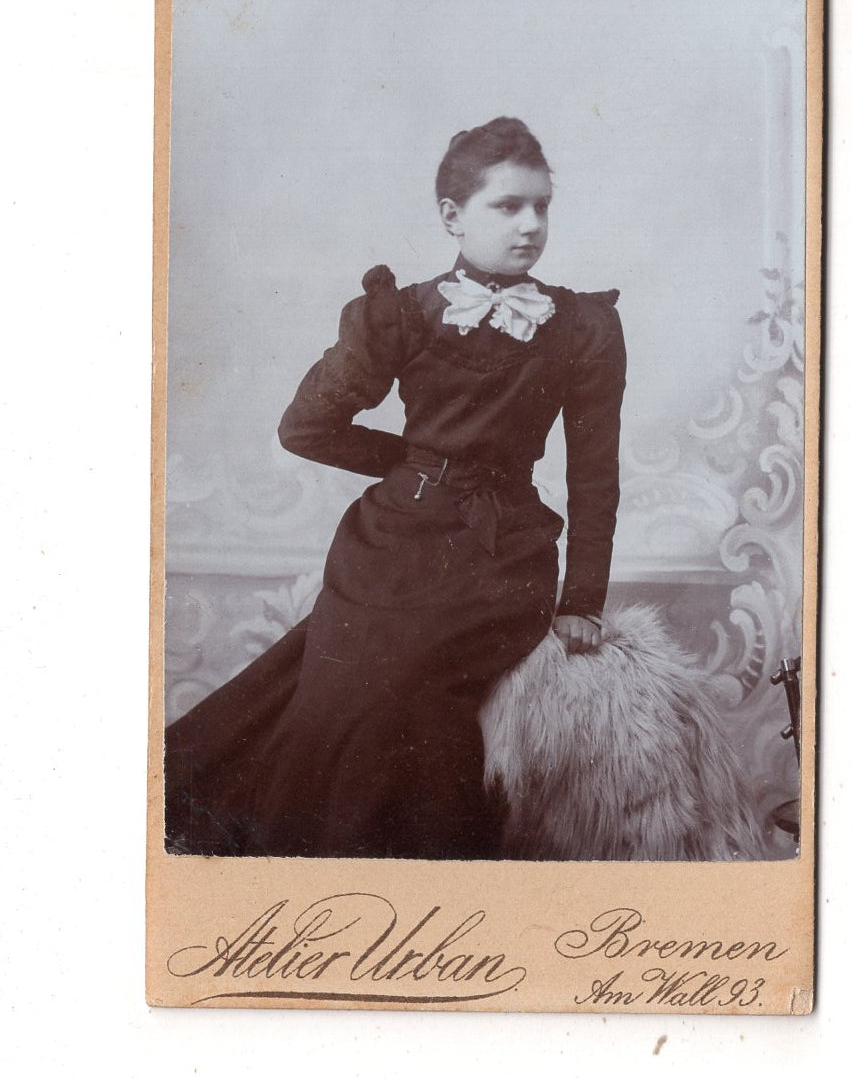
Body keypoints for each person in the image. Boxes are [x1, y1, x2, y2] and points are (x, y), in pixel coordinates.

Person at [164, 117, 626, 859]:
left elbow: (594, 473)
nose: (531, 225)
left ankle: (429, 879)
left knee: (403, 691)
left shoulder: (582, 327)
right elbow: (305, 427)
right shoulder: (398, 316)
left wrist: (582, 601)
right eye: (508, 205)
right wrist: (415, 462)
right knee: (333, 692)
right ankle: (309, 878)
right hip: (389, 546)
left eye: (541, 205)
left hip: (501, 557)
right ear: (452, 215)